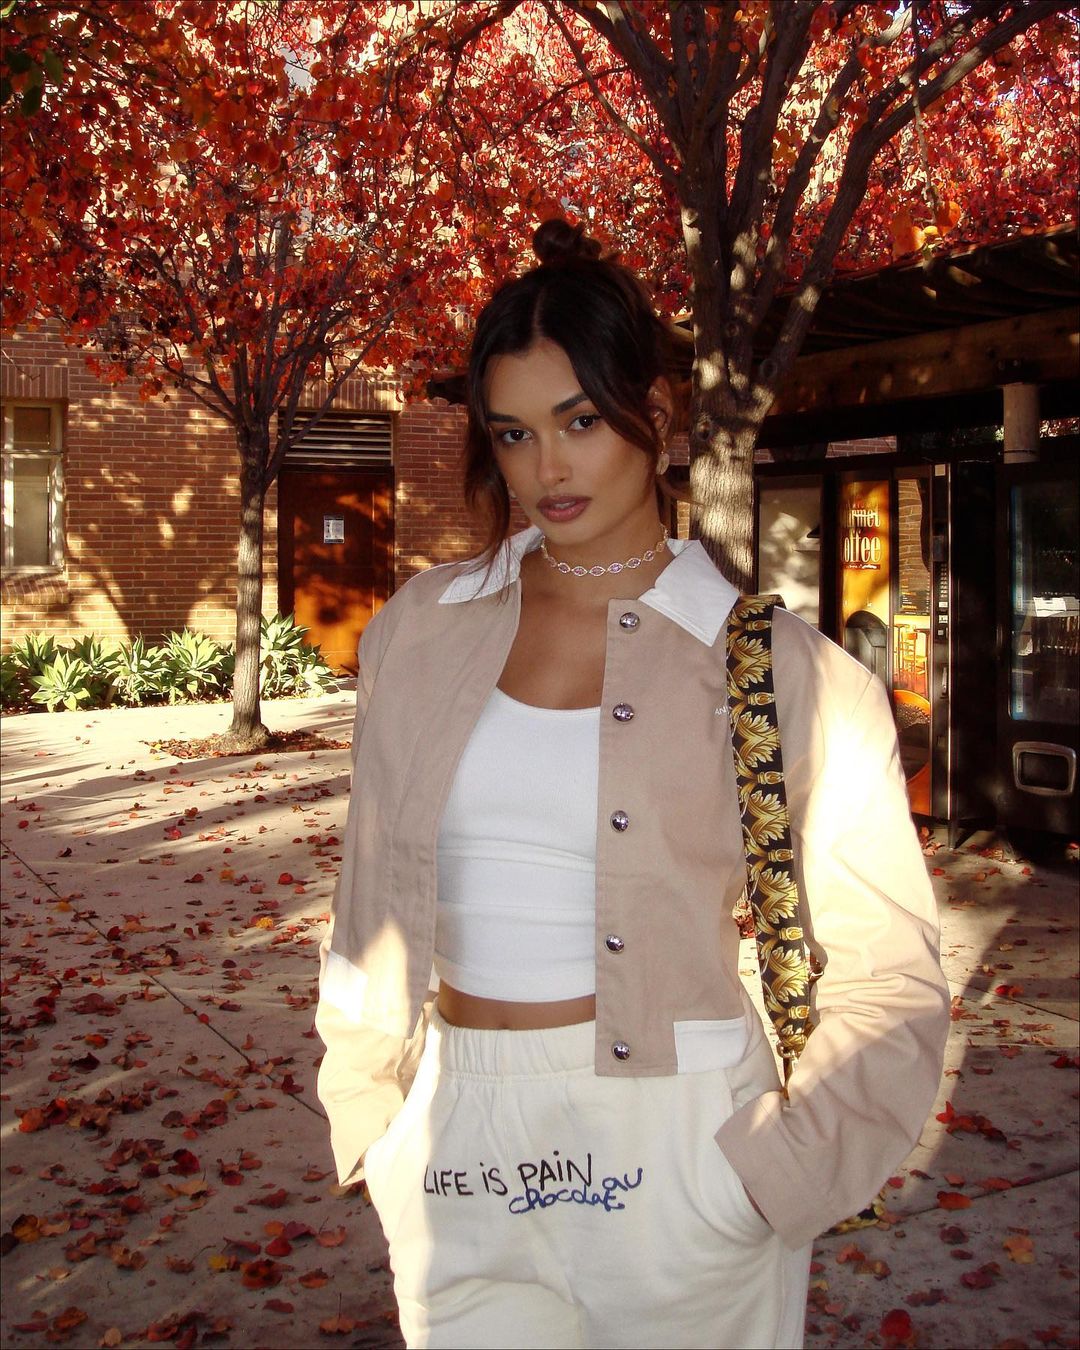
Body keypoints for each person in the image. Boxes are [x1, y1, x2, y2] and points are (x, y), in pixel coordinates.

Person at [315, 219, 950, 1350]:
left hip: (679, 1156)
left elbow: (890, 978)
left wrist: (771, 1180)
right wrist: (374, 1118)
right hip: (455, 1140)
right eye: (514, 433)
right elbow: (367, 906)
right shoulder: (417, 631)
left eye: (581, 421)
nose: (547, 469)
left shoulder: (783, 672)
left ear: (651, 409)